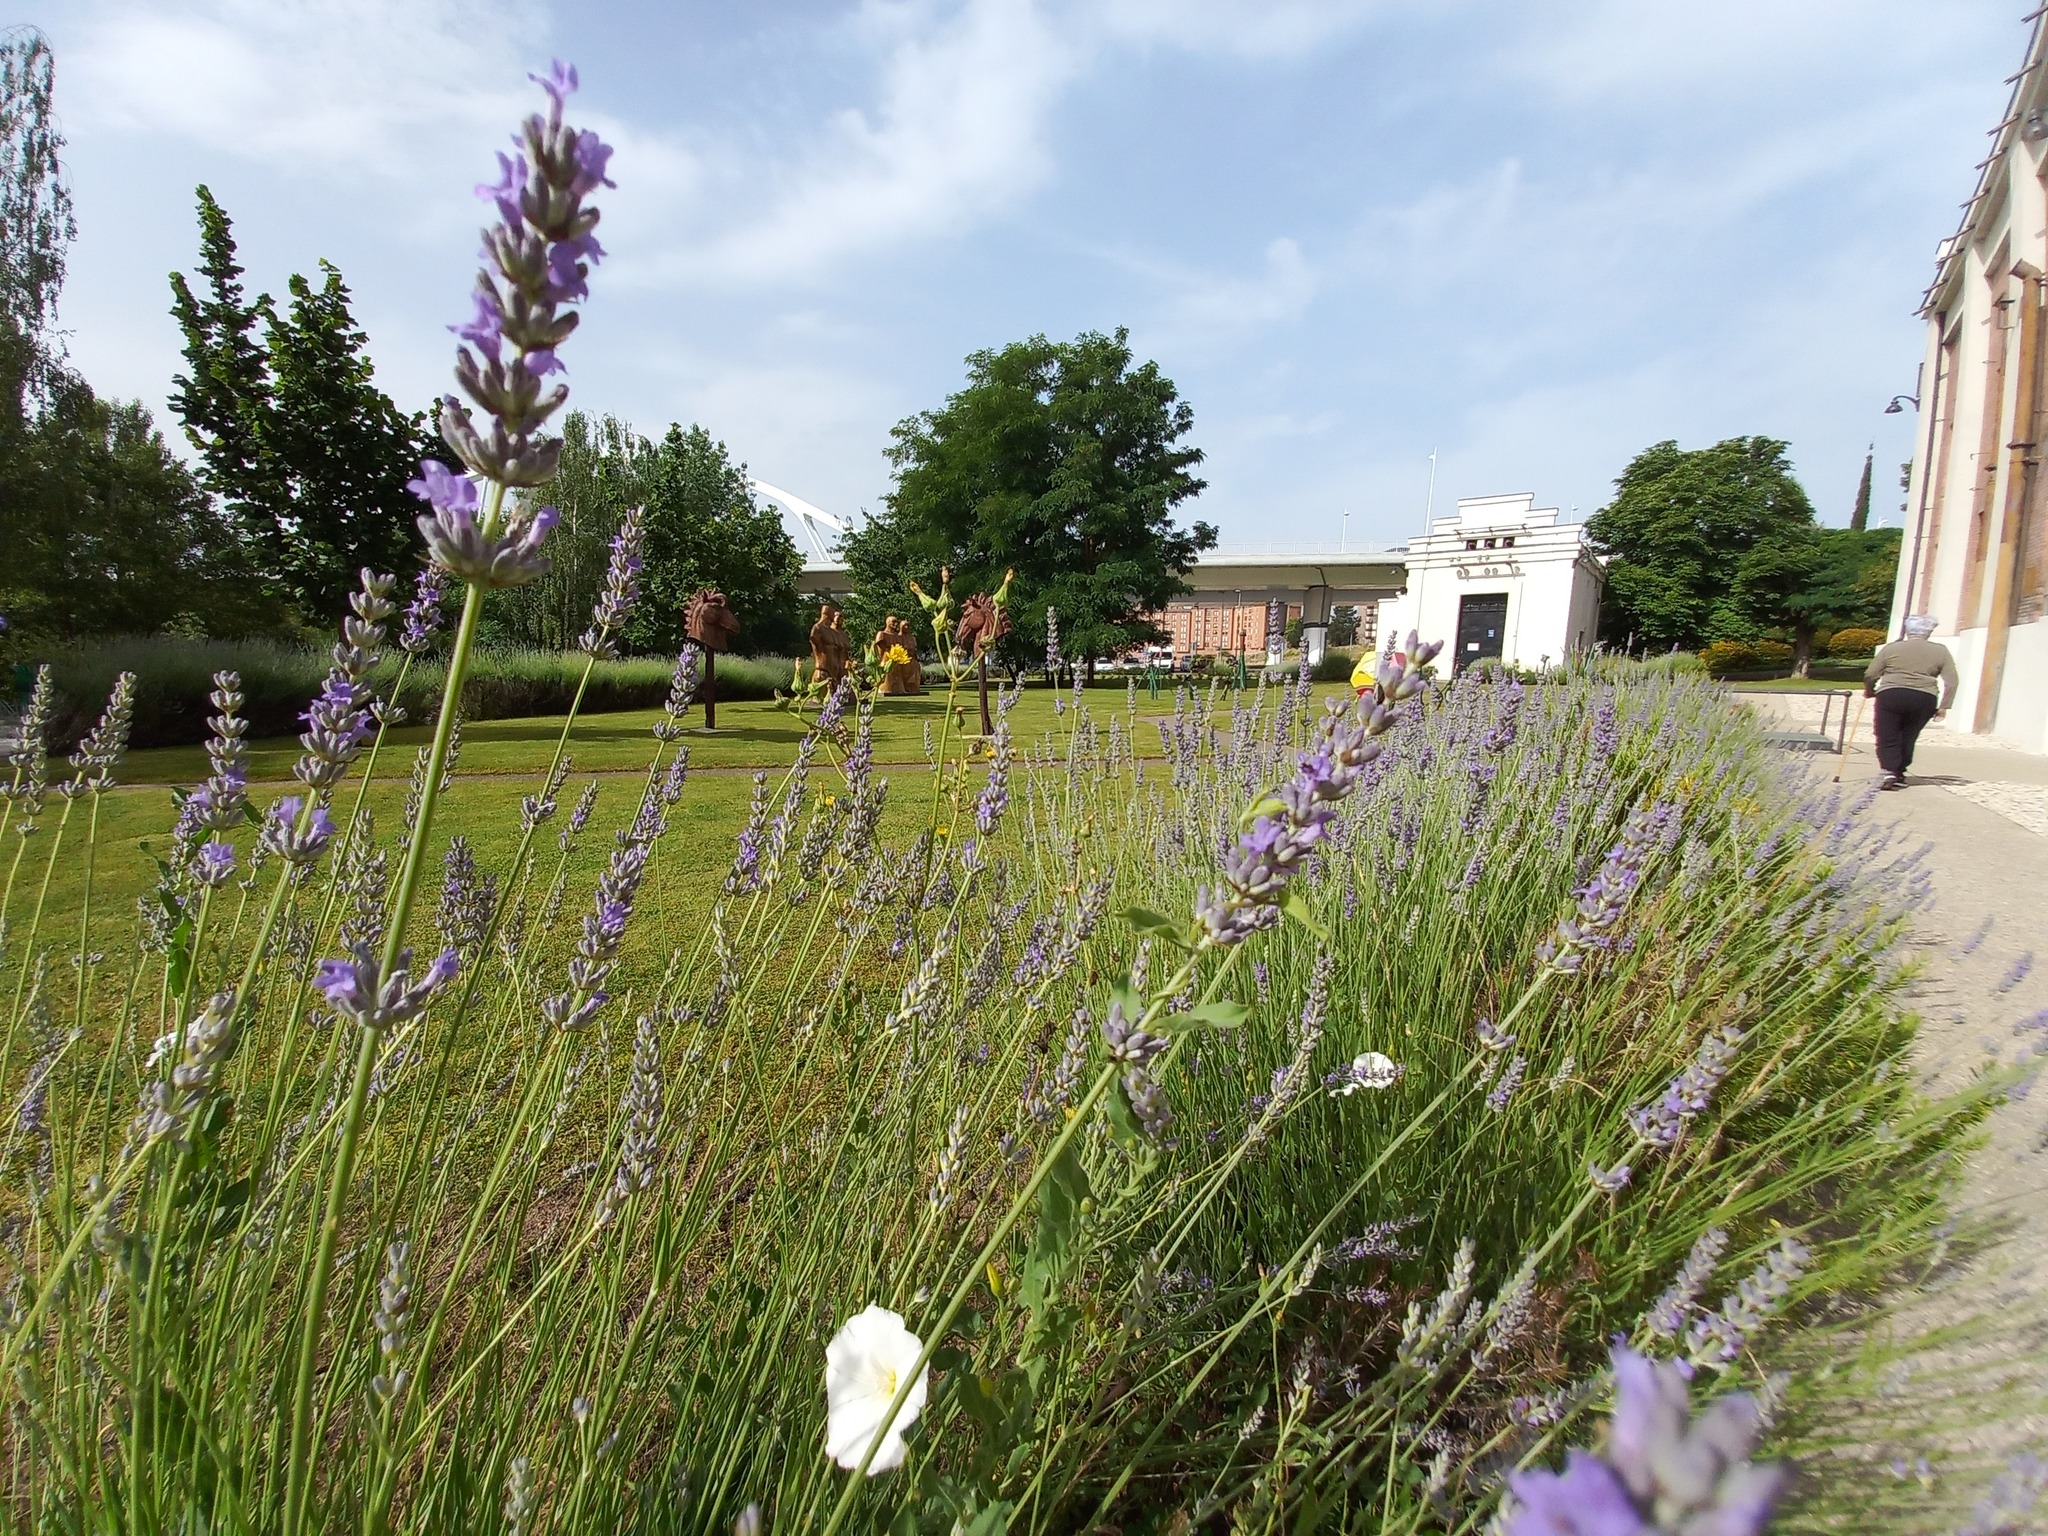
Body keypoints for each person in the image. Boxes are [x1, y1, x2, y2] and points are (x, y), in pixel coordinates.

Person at [1863, 614, 1958, 790]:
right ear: (1928, 632)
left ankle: (1889, 771)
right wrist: (1944, 706)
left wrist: (1869, 690)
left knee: (1887, 734)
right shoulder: (1941, 651)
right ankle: (1899, 772)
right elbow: (1952, 681)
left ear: (1907, 630)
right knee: (1908, 736)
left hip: (1892, 694)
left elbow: (1871, 673)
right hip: (1924, 697)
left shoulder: (1892, 649)